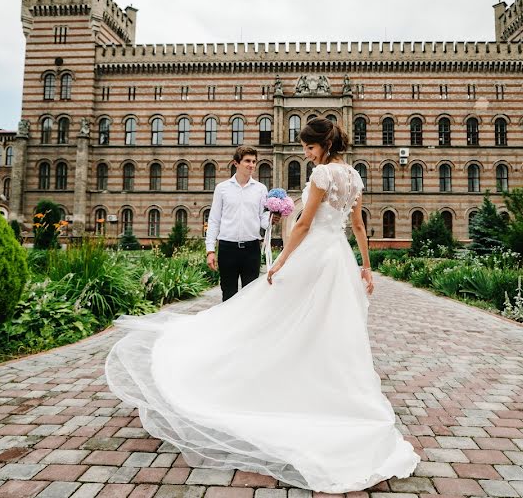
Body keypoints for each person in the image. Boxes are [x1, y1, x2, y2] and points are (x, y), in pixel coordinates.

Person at [105, 118, 420, 492]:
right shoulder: (354, 177)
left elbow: (302, 226)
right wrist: (366, 268)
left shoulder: (321, 176)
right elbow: (358, 227)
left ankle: (276, 380)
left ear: (322, 145)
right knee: (331, 328)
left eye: (308, 147)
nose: (305, 153)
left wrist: (282, 261)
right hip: (338, 259)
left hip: (313, 255)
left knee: (278, 318)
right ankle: (322, 390)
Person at [204, 146, 273, 301]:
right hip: (228, 249)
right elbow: (214, 220)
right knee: (228, 295)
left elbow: (263, 221)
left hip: (252, 249)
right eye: (247, 161)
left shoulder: (261, 189)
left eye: (254, 161)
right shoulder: (222, 189)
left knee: (251, 297)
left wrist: (272, 219)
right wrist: (210, 250)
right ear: (236, 163)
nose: (252, 165)